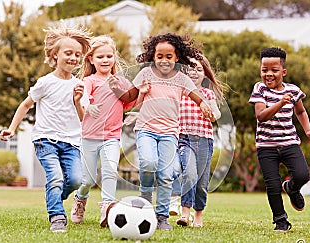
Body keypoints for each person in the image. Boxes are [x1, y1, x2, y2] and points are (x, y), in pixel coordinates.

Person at [112, 33, 213, 230]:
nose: (164, 60)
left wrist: (204, 105)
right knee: (149, 163)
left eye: (169, 56)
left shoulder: (182, 79)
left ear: (177, 58)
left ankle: (161, 217)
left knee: (166, 174)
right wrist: (117, 90)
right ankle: (146, 202)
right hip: (146, 130)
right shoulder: (146, 74)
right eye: (160, 56)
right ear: (153, 57)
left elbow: (197, 96)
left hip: (169, 133)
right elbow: (130, 96)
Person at [0, 24, 92, 232]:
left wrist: (77, 101)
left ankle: (55, 197)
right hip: (45, 140)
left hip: (71, 142)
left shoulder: (79, 86)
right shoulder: (45, 82)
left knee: (76, 180)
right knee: (56, 177)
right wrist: (12, 129)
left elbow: (83, 119)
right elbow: (25, 105)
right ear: (54, 55)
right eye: (68, 53)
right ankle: (57, 216)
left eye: (77, 54)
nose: (73, 58)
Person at [248, 47, 310, 233]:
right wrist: (280, 103)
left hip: (289, 142)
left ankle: (291, 188)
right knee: (272, 185)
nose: (268, 74)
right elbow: (261, 116)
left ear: (284, 71)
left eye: (274, 70)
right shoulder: (259, 89)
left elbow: (301, 111)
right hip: (266, 145)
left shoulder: (293, 90)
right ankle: (281, 221)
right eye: (264, 70)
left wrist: (308, 130)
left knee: (303, 175)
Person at [70, 36, 135, 227]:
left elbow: (129, 102)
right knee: (88, 179)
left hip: (111, 137)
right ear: (91, 59)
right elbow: (83, 97)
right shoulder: (89, 80)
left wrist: (142, 94)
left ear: (114, 58)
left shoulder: (120, 82)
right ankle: (80, 199)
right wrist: (87, 105)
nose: (105, 60)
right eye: (100, 57)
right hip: (89, 137)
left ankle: (107, 209)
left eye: (109, 56)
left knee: (109, 171)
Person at [175, 55, 223, 227]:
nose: (194, 72)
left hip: (204, 140)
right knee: (189, 173)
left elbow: (217, 114)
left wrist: (211, 114)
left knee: (202, 182)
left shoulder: (207, 94)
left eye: (199, 69)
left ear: (205, 73)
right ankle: (185, 213)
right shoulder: (179, 92)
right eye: (190, 68)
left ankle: (198, 214)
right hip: (184, 139)